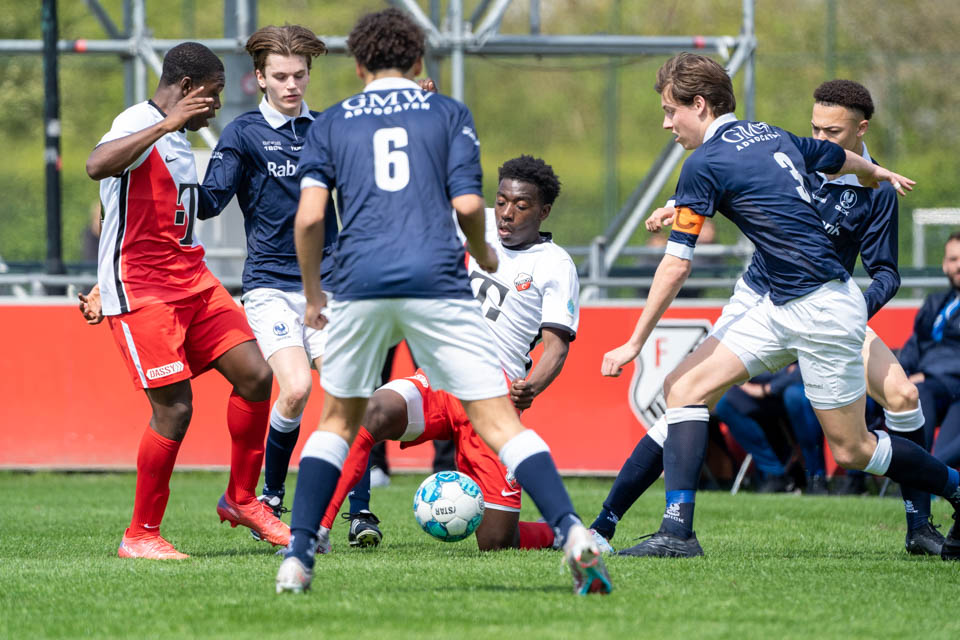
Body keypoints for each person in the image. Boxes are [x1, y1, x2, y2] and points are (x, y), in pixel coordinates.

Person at [274, 9, 611, 595]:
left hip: (361, 279)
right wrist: (482, 253)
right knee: (500, 422)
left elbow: (308, 220)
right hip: (433, 276)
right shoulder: (448, 114)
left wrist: (312, 294)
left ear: (358, 66)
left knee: (337, 420)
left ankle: (299, 555)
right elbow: (469, 207)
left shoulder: (332, 123)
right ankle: (573, 532)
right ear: (418, 60)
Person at [598, 53, 960, 562]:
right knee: (684, 388)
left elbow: (677, 265)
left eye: (669, 111)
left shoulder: (719, 157)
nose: (665, 123)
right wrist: (875, 170)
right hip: (772, 302)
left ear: (698, 105)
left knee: (857, 444)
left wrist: (634, 342)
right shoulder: (770, 137)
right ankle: (671, 531)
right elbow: (818, 162)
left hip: (827, 309)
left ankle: (945, 498)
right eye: (817, 126)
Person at [313, 155, 605, 553]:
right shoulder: (474, 222)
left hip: (493, 396)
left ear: (543, 211)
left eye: (521, 206)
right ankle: (317, 532)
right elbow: (422, 199)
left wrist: (532, 385)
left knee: (496, 541)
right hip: (440, 377)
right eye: (501, 201)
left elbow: (556, 346)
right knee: (369, 414)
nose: (506, 213)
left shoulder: (556, 265)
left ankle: (564, 534)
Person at [79, 42, 289, 559]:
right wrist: (165, 123)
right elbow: (97, 166)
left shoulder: (176, 139)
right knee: (174, 409)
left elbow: (129, 212)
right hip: (145, 291)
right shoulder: (138, 121)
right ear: (188, 88)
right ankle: (140, 535)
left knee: (257, 375)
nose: (216, 107)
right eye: (213, 95)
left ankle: (242, 499)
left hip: (192, 280)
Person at [193, 24, 378, 543]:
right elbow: (209, 203)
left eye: (298, 75)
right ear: (259, 78)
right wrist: (165, 159)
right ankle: (270, 495)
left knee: (350, 391)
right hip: (270, 285)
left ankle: (359, 511)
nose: (291, 84)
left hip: (329, 283)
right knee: (295, 388)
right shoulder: (243, 133)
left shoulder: (327, 130)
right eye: (280, 76)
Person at [900, 232, 960, 469]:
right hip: (930, 387)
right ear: (945, 265)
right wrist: (899, 375)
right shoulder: (935, 303)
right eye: (953, 259)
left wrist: (927, 375)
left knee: (918, 391)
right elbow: (914, 346)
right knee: (875, 390)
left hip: (950, 383)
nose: (959, 266)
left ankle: (918, 475)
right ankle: (855, 480)